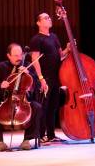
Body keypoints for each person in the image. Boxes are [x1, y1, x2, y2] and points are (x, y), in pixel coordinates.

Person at [0, 43, 42, 151]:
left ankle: (27, 140)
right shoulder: (1, 67)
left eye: (21, 55)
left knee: (37, 107)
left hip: (24, 100)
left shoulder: (27, 65)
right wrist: (0, 85)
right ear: (8, 55)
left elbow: (37, 85)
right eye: (16, 56)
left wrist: (29, 73)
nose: (19, 58)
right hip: (6, 100)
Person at [29, 12, 70, 144]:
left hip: (56, 76)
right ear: (38, 23)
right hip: (44, 77)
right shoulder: (37, 39)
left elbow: (60, 56)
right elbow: (34, 60)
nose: (49, 19)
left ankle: (51, 134)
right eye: (45, 18)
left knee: (53, 106)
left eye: (49, 17)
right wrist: (41, 78)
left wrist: (68, 49)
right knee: (43, 107)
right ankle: (40, 135)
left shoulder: (54, 36)